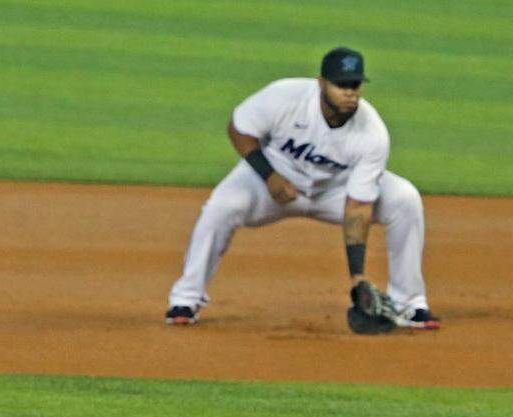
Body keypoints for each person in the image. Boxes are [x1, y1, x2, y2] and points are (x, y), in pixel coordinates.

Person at [165, 47, 440, 330]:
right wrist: (268, 175)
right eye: (341, 85)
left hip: (336, 191)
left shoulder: (372, 133)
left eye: (355, 85)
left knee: (405, 198)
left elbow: (358, 206)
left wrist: (356, 277)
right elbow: (239, 128)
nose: (350, 92)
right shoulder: (285, 97)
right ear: (321, 83)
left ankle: (409, 304)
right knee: (221, 207)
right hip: (271, 181)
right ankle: (186, 299)